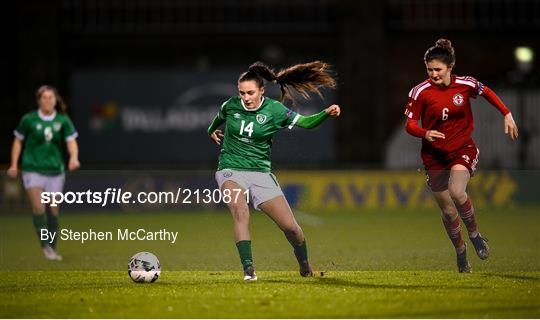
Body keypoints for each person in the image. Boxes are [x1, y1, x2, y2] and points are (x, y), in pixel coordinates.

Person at [207, 61, 340, 280]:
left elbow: (306, 123)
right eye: (242, 93)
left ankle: (305, 264)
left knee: (291, 229)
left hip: (260, 173)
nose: (246, 98)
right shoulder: (230, 105)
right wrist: (211, 131)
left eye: (250, 92)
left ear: (261, 91)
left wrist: (326, 113)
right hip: (230, 169)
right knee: (240, 212)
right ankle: (248, 270)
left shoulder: (274, 110)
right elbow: (217, 120)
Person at [404, 39, 519, 272]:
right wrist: (425, 133)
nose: (433, 74)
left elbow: (486, 92)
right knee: (447, 212)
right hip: (434, 157)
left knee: (457, 191)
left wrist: (506, 113)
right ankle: (460, 250)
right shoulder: (419, 92)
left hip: (462, 150)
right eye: (429, 69)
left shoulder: (465, 84)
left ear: (450, 67)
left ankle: (475, 235)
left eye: (438, 69)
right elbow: (410, 125)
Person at [7, 85, 80, 261]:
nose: (48, 100)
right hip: (33, 168)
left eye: (51, 97)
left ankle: (52, 248)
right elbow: (18, 142)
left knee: (53, 211)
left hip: (55, 170)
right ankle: (45, 246)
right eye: (44, 97)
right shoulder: (29, 119)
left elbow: (71, 142)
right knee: (38, 207)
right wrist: (14, 164)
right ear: (39, 100)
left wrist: (73, 158)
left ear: (56, 100)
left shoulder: (63, 120)